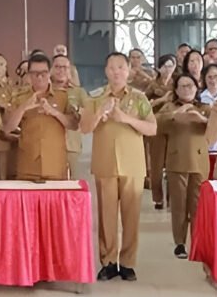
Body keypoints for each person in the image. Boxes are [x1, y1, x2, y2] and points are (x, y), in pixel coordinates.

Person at [81, 52, 156, 282]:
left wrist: (126, 118)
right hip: (105, 163)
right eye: (112, 67)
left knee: (131, 217)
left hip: (133, 164)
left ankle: (128, 262)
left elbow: (152, 129)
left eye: (121, 67)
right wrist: (100, 112)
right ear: (105, 71)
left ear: (129, 70)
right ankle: (108, 261)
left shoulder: (139, 97)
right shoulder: (94, 97)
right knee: (107, 217)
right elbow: (84, 128)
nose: (116, 71)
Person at [156, 74, 210, 259]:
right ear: (176, 90)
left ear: (197, 88)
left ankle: (197, 241)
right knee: (179, 205)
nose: (187, 89)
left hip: (199, 162)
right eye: (182, 86)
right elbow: (156, 123)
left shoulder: (204, 108)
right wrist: (176, 114)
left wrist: (201, 119)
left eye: (190, 85)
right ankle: (179, 242)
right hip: (176, 161)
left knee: (197, 205)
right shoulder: (169, 107)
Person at [5, 54, 75, 181]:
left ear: (50, 73)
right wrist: (23, 107)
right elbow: (8, 128)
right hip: (28, 164)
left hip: (55, 164)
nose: (39, 77)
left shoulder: (63, 96)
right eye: (35, 73)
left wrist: (54, 112)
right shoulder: (19, 97)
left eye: (44, 73)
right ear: (29, 75)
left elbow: (73, 125)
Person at [144, 54, 177, 209]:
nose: (168, 69)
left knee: (172, 163)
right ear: (159, 68)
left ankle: (172, 198)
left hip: (173, 125)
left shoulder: (177, 84)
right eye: (165, 66)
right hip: (155, 125)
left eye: (171, 66)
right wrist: (162, 99)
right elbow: (144, 106)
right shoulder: (152, 85)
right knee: (156, 164)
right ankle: (158, 198)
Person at [51, 54, 87, 178]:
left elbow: (88, 114)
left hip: (71, 144)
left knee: (72, 183)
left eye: (65, 67)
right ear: (51, 69)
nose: (61, 70)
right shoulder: (45, 91)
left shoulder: (78, 92)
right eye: (57, 67)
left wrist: (78, 111)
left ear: (70, 70)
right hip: (49, 144)